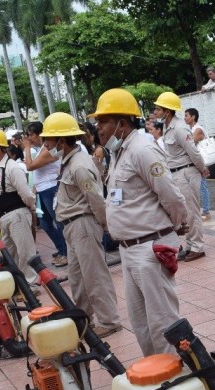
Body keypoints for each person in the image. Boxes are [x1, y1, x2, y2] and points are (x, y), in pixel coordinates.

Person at [91, 88, 188, 356]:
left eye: (103, 122)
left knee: (162, 321)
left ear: (121, 123)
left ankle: (176, 378)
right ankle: (158, 373)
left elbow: (171, 195)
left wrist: (175, 227)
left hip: (150, 246)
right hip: (130, 249)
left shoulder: (143, 148)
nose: (98, 129)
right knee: (142, 323)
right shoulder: (121, 151)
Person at [40, 112, 122, 338]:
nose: (45, 145)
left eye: (48, 140)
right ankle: (83, 319)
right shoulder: (69, 161)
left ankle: (109, 320)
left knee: (94, 275)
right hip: (72, 226)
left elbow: (95, 199)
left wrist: (106, 225)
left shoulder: (79, 165)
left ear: (61, 141)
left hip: (83, 224)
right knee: (78, 279)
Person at [0, 127, 39, 292]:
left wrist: (31, 209)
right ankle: (19, 284)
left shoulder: (12, 167)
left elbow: (26, 193)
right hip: (4, 216)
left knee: (25, 250)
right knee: (10, 253)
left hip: (17, 213)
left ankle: (31, 284)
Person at [153, 92, 208, 261]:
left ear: (167, 112)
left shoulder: (179, 128)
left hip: (187, 172)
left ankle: (198, 247)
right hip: (178, 173)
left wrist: (202, 168)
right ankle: (191, 245)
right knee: (186, 213)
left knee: (192, 212)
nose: (155, 112)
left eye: (158, 109)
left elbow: (193, 151)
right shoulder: (169, 129)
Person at [23, 122, 68, 267]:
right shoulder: (43, 148)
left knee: (58, 222)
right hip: (41, 191)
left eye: (31, 135)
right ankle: (61, 248)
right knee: (45, 223)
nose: (29, 138)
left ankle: (66, 252)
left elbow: (30, 166)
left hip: (50, 189)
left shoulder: (48, 149)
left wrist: (27, 148)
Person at [184, 108, 211, 219]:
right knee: (198, 186)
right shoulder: (191, 129)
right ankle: (203, 210)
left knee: (202, 186)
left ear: (193, 117)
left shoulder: (198, 129)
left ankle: (206, 211)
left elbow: (189, 144)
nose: (184, 118)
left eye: (186, 115)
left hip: (201, 161)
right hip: (196, 161)